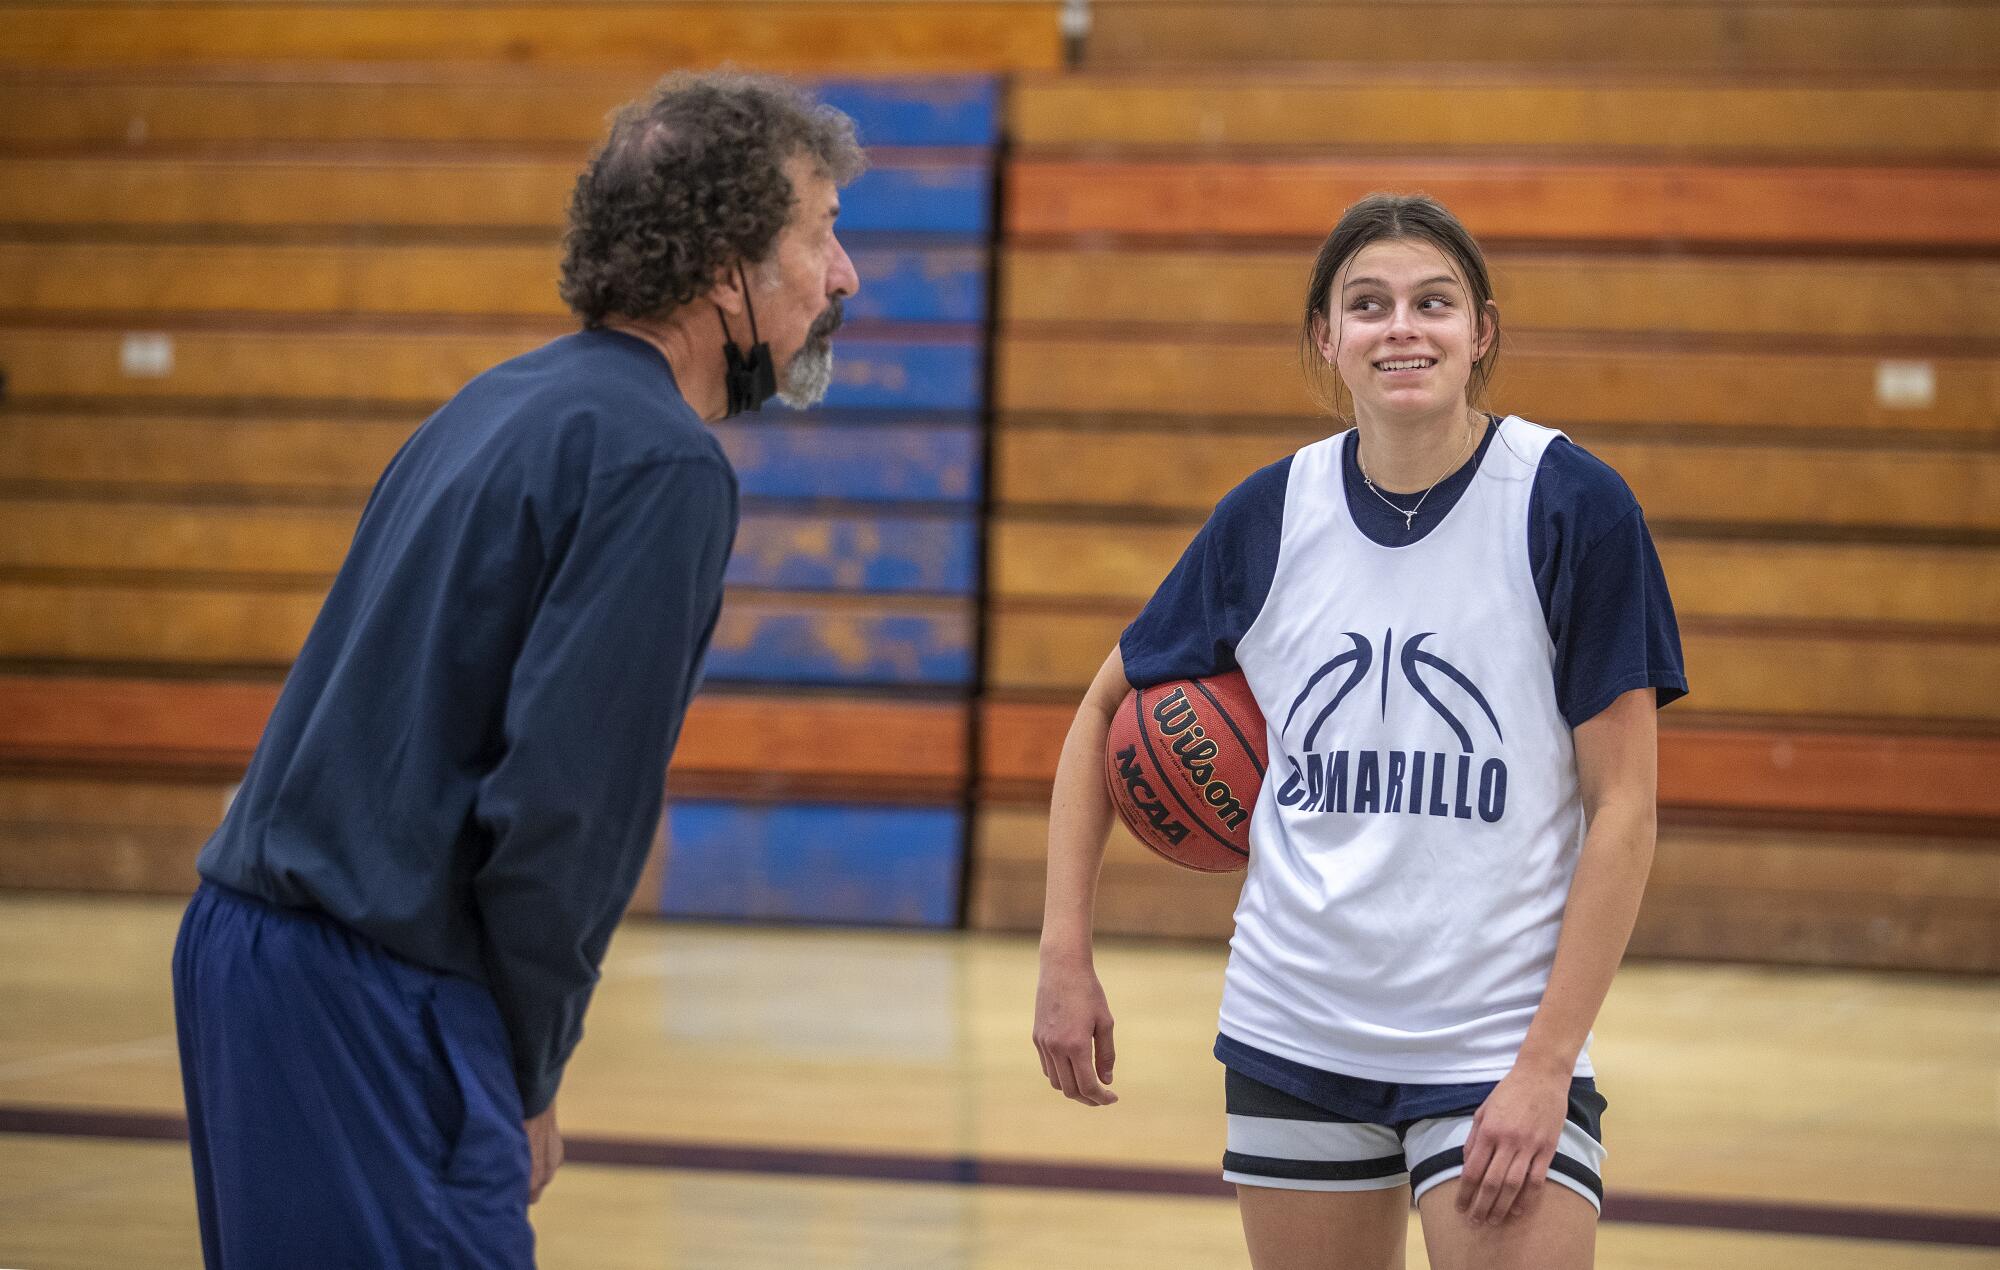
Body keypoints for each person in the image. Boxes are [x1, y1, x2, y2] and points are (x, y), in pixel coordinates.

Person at [172, 71, 862, 1266]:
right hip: (376, 994)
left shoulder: (496, 402)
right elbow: (563, 811)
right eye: (820, 234)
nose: (843, 273)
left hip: (245, 952)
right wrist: (526, 1068)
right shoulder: (660, 464)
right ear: (722, 269)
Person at [1033, 193, 1686, 1270]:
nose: (1401, 328)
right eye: (1367, 305)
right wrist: (1065, 955)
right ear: (1325, 340)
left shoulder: (1568, 504)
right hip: (1294, 1029)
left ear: (1479, 332)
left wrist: (1543, 1064)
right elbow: (1103, 707)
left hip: (1493, 1040)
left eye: (1432, 303)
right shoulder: (1270, 512)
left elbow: (1624, 808)